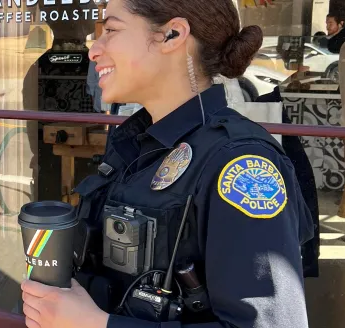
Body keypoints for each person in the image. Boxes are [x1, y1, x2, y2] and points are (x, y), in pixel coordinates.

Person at [20, 0, 314, 327]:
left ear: (173, 35)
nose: (94, 50)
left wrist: (96, 324)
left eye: (112, 30)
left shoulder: (241, 164)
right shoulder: (133, 143)